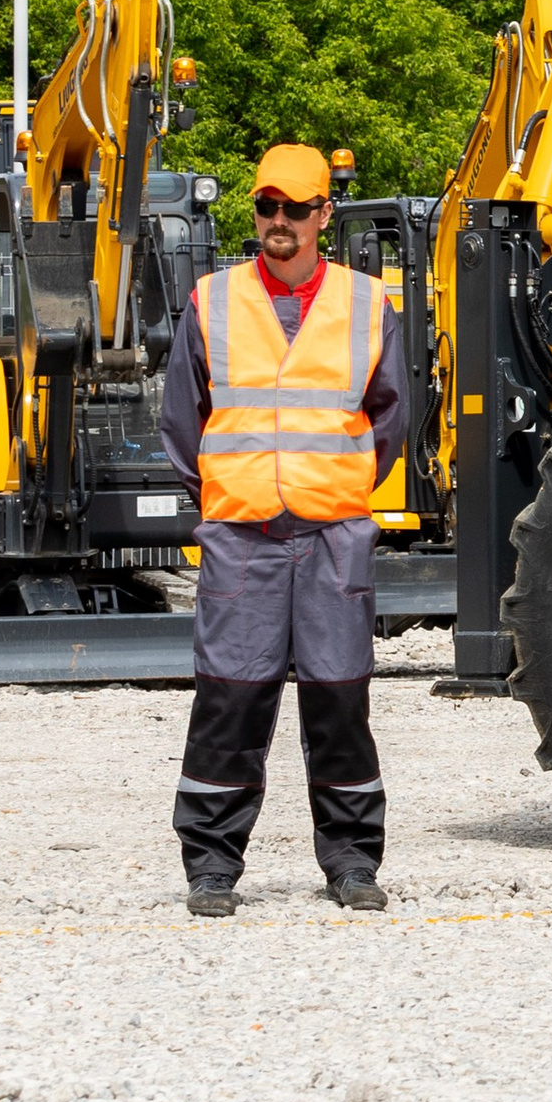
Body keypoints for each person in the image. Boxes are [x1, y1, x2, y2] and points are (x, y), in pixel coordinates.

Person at [165, 143, 407, 916]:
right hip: (241, 538)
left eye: (295, 209)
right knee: (230, 701)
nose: (278, 222)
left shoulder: (369, 304)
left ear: (322, 216)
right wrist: (230, 491)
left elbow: (393, 416)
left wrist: (335, 484)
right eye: (267, 206)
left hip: (334, 534)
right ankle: (211, 867)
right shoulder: (212, 300)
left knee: (340, 703)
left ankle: (351, 865)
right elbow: (181, 422)